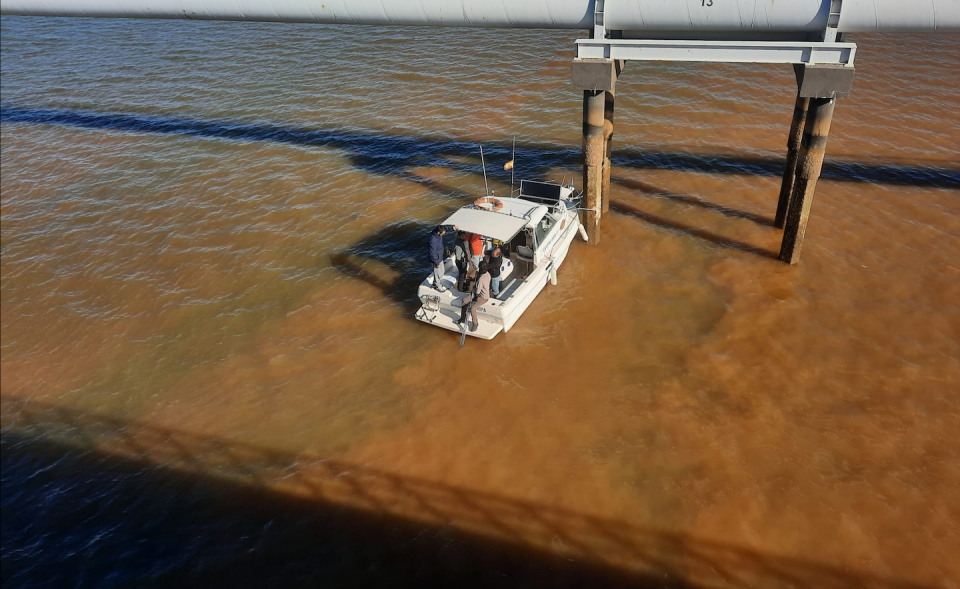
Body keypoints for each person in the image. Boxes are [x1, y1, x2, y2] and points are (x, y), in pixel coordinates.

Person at [458, 260, 490, 332]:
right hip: (477, 294)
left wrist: (474, 288)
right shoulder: (488, 274)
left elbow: (478, 291)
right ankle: (463, 318)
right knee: (464, 300)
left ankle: (475, 323)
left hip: (483, 297)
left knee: (473, 308)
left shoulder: (481, 279)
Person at [427, 224, 457, 292]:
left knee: (441, 272)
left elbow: (445, 227)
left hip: (440, 257)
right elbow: (432, 253)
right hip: (436, 260)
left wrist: (452, 227)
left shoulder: (438, 231)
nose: (444, 233)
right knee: (438, 274)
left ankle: (435, 283)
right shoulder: (432, 240)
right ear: (438, 232)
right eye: (443, 233)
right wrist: (436, 263)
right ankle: (437, 286)